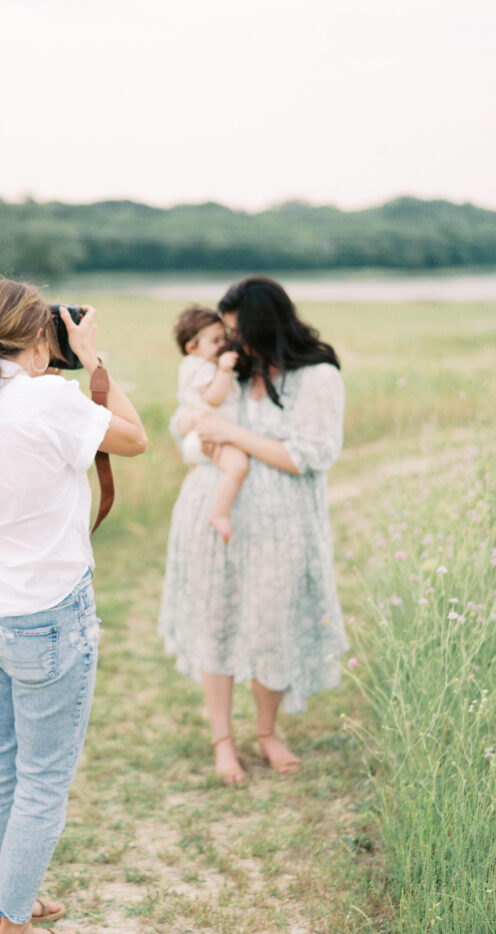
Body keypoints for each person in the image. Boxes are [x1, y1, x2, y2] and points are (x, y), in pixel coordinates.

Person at [0, 279, 147, 934]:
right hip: (47, 619)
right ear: (39, 334)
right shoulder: (50, 400)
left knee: (1, 759)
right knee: (44, 778)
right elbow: (136, 440)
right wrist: (92, 357)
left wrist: (61, 360)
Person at [158, 276, 348, 785]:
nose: (233, 341)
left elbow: (307, 455)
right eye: (228, 333)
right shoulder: (236, 370)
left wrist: (234, 434)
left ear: (266, 325)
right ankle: (223, 741)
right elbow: (187, 424)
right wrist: (193, 428)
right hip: (211, 514)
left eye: (240, 331)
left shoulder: (317, 378)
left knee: (271, 623)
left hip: (282, 527)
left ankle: (267, 732)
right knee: (216, 620)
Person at [173, 305, 249, 543]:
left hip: (203, 434)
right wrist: (225, 371)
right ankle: (220, 514)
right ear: (192, 347)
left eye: (224, 338)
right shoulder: (201, 367)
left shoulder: (201, 365)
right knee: (237, 465)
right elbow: (214, 399)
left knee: (195, 477)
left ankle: (188, 509)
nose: (223, 345)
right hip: (207, 433)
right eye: (215, 341)